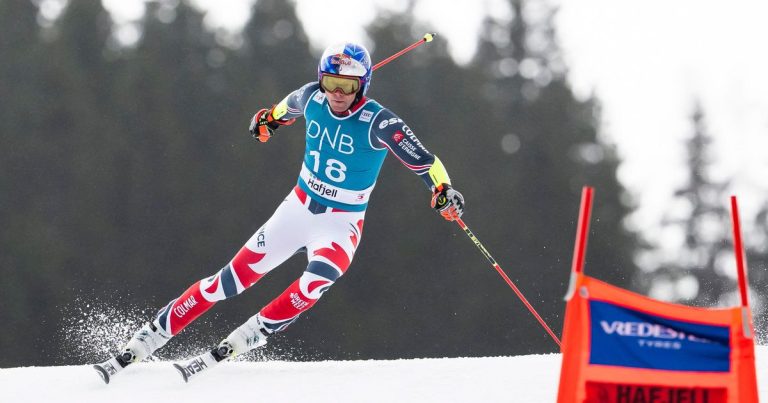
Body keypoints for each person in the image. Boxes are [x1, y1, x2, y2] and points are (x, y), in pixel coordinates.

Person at [94, 42, 465, 382]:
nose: (337, 94)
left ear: (363, 86)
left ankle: (253, 332)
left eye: (348, 86)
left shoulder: (381, 123)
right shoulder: (310, 96)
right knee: (228, 281)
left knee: (315, 281)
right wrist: (266, 122)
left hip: (341, 224)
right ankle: (150, 336)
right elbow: (279, 112)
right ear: (321, 80)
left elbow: (427, 163)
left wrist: (444, 192)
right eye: (331, 83)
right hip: (297, 210)